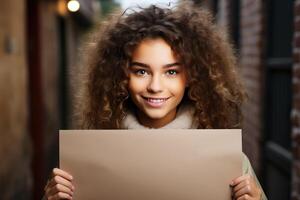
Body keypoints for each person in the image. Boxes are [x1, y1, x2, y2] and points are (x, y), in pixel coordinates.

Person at [43, 1, 267, 199]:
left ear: (192, 77)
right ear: (120, 76)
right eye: (141, 71)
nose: (155, 87)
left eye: (171, 72)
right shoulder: (85, 161)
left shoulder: (229, 162)